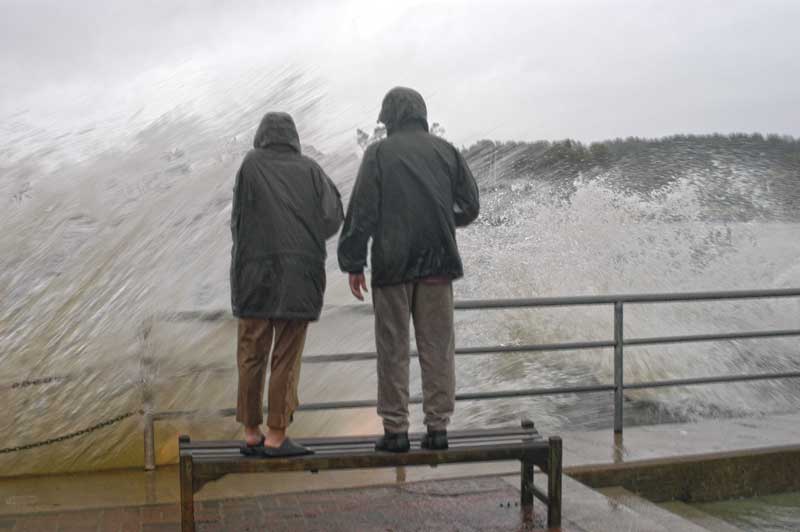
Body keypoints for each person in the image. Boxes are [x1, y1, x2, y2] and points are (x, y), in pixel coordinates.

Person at [338, 87, 480, 452]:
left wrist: (353, 262)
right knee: (437, 349)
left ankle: (397, 431)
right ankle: (438, 429)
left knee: (393, 348)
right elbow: (471, 206)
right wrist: (443, 221)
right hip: (438, 265)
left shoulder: (379, 154)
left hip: (392, 265)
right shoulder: (446, 151)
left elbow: (362, 212)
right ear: (421, 115)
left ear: (389, 118)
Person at [230, 111, 343, 457]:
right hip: (300, 274)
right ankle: (277, 435)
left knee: (251, 353)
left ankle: (251, 432)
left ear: (261, 135)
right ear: (293, 137)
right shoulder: (310, 169)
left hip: (254, 274)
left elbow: (238, 223)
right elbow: (332, 218)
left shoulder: (250, 165)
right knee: (286, 356)